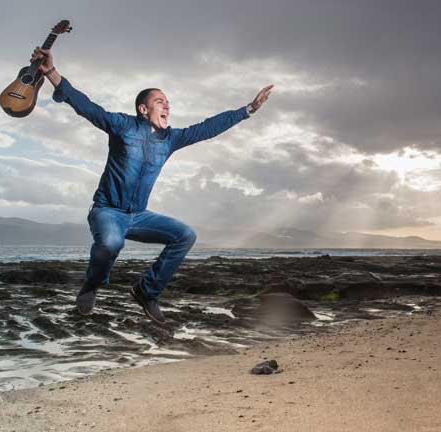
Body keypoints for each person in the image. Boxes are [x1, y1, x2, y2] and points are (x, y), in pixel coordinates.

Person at [31, 47, 273, 324]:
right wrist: (50, 72)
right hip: (107, 211)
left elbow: (208, 127)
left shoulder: (170, 139)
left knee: (185, 235)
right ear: (143, 109)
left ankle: (146, 292)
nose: (167, 106)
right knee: (111, 242)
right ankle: (91, 285)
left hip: (139, 216)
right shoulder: (122, 126)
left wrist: (248, 109)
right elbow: (87, 107)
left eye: (168, 102)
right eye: (160, 101)